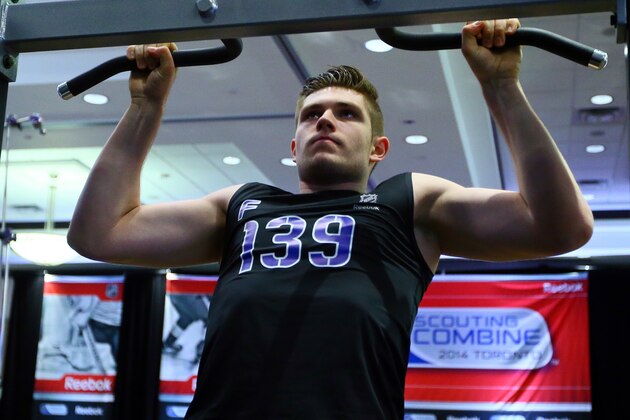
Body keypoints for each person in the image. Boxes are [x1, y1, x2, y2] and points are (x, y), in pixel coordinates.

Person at [68, 19, 593, 419]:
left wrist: (501, 86)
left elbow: (561, 227)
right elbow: (99, 234)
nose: (325, 118)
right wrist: (145, 106)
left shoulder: (410, 204)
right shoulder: (242, 204)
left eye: (347, 113)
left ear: (378, 149)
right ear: (293, 146)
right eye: (312, 114)